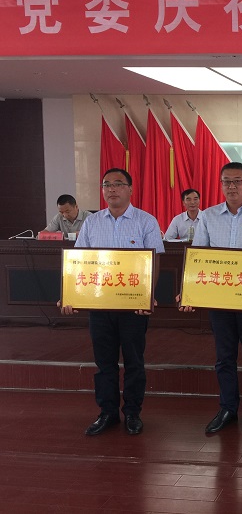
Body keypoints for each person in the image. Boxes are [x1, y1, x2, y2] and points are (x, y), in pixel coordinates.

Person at [59, 168, 164, 436]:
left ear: (130, 189)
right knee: (104, 363)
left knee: (134, 362)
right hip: (100, 306)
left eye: (118, 184)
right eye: (107, 185)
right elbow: (79, 262)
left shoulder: (146, 221)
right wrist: (69, 295)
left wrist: (148, 295)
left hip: (133, 307)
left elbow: (154, 261)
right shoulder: (92, 223)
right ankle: (107, 412)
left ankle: (132, 413)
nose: (112, 189)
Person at [183, 162, 242, 435]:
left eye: (238, 181)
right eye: (227, 181)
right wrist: (189, 291)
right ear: (221, 184)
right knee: (224, 357)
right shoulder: (209, 216)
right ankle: (227, 408)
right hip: (220, 299)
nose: (232, 186)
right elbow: (199, 256)